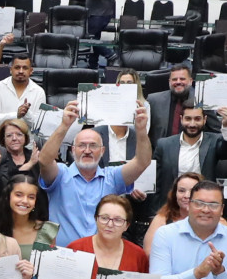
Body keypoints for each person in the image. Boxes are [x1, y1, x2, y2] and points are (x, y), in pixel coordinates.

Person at [36, 99, 154, 245]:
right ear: (72, 150)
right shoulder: (60, 174)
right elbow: (44, 161)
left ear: (102, 151)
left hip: (101, 257)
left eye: (93, 146)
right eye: (81, 146)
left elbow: (142, 162)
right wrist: (64, 126)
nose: (87, 151)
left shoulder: (112, 177)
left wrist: (141, 131)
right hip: (65, 258)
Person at [0, 43, 46, 125]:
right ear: (10, 69)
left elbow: (40, 124)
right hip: (0, 137)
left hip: (26, 137)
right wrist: (15, 115)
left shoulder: (39, 92)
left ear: (31, 71)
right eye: (17, 67)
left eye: (25, 68)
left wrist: (27, 114)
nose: (21, 71)